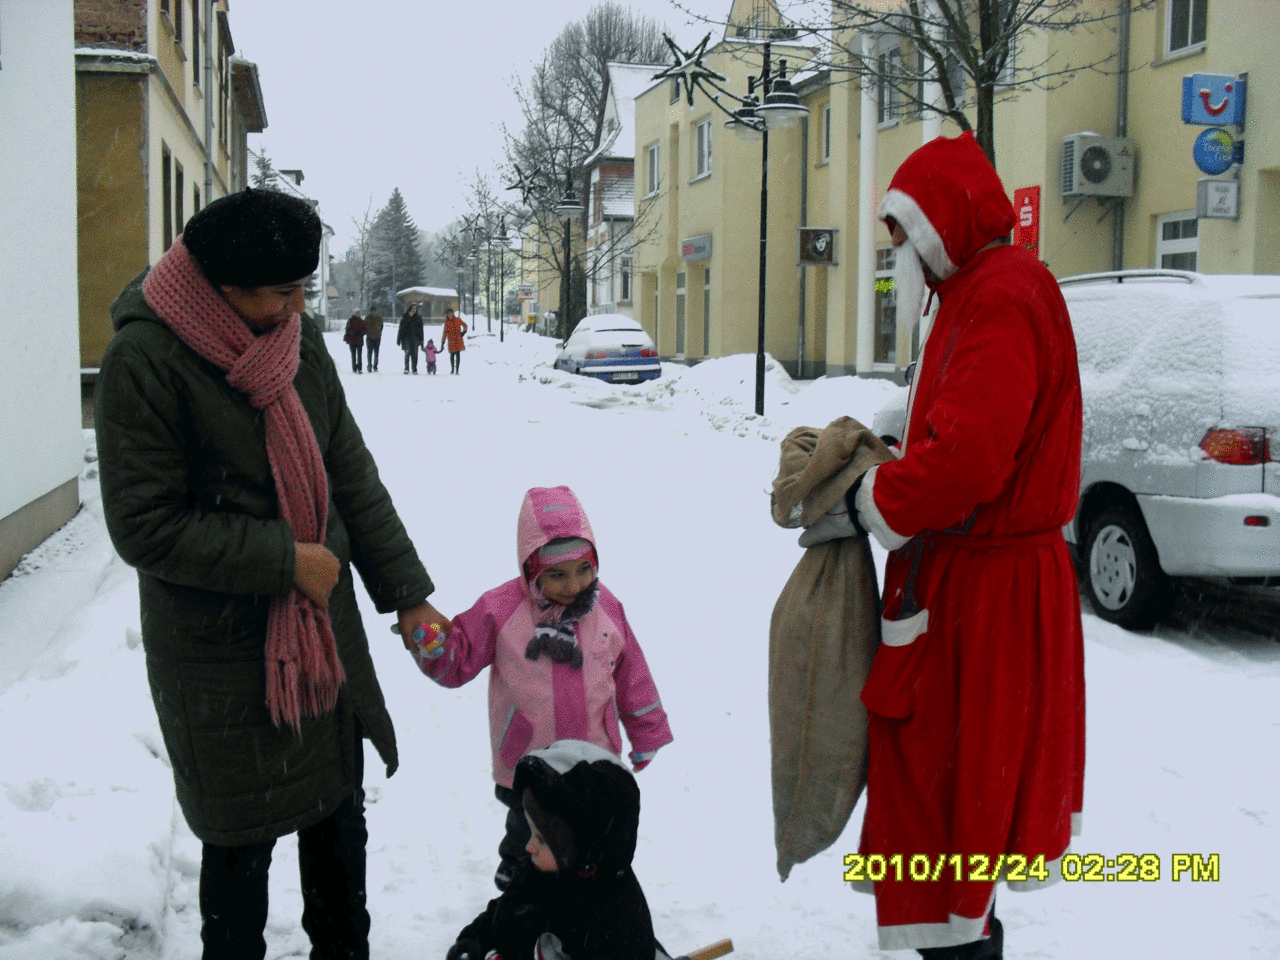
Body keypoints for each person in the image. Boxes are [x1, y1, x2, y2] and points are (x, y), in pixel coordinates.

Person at [93, 186, 451, 960]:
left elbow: (348, 471)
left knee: (337, 837)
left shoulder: (296, 341)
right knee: (239, 860)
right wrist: (285, 560)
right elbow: (144, 526)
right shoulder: (145, 361)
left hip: (320, 644)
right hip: (223, 659)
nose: (296, 308)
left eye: (303, 291)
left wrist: (408, 594)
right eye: (281, 292)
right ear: (221, 286)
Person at [801, 132, 1085, 959]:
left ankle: (963, 948)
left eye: (901, 232)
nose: (895, 252)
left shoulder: (1000, 295)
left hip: (984, 596)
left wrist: (873, 499)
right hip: (967, 582)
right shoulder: (975, 291)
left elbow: (970, 457)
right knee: (952, 803)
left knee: (953, 796)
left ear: (940, 224)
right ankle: (964, 938)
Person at [408, 485, 672, 890]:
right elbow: (459, 660)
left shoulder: (607, 609)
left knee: (587, 839)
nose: (574, 585)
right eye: (557, 575)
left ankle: (583, 904)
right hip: (527, 762)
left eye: (584, 569)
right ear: (531, 569)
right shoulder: (500, 609)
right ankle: (518, 888)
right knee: (528, 832)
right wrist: (436, 650)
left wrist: (647, 730)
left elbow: (632, 673)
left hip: (592, 759)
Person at [444, 740, 659, 960]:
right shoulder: (543, 873)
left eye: (541, 839)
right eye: (531, 832)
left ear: (582, 851)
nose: (529, 847)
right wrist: (474, 943)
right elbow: (505, 913)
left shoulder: (615, 922)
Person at [398, 302, 424, 373]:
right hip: (406, 338)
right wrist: (399, 339)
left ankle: (414, 368)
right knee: (407, 352)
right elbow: (401, 329)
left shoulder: (418, 318)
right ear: (410, 309)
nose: (414, 310)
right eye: (413, 308)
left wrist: (421, 340)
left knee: (415, 354)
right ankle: (406, 368)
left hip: (415, 338)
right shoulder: (405, 317)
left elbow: (421, 330)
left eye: (415, 308)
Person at [441, 307, 468, 374]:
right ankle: (452, 369)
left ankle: (457, 370)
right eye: (448, 314)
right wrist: (443, 342)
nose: (450, 315)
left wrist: (464, 331)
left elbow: (465, 325)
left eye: (451, 313)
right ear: (447, 315)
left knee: (458, 354)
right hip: (451, 340)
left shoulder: (458, 319)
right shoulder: (446, 322)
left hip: (458, 339)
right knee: (452, 355)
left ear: (453, 313)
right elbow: (445, 332)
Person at [364, 306, 384, 372]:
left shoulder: (379, 318)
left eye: (375, 311)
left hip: (377, 337)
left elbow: (381, 326)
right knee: (369, 353)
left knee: (376, 353)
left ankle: (375, 366)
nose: (374, 312)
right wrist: (368, 332)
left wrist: (379, 333)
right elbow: (364, 326)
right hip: (369, 337)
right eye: (373, 311)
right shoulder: (367, 318)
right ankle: (369, 365)